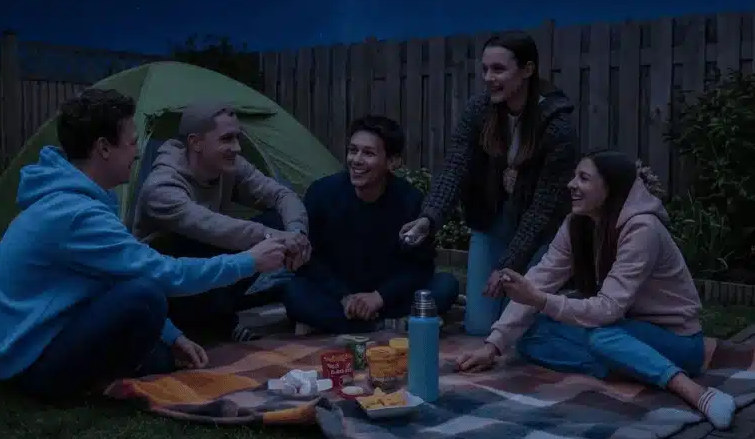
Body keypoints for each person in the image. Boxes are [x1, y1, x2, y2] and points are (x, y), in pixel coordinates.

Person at [0, 89, 287, 401]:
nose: (139, 152)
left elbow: (108, 275)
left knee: (161, 351)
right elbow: (164, 274)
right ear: (103, 148)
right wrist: (249, 261)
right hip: (31, 365)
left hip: (38, 340)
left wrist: (173, 336)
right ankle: (93, 381)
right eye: (131, 142)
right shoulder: (75, 214)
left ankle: (129, 363)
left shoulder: (75, 199)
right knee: (145, 295)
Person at [455, 150, 737, 430]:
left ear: (609, 188)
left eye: (584, 178)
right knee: (528, 334)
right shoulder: (577, 223)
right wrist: (492, 346)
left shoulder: (643, 229)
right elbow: (541, 278)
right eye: (574, 176)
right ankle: (631, 365)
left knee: (601, 337)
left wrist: (540, 300)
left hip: (677, 340)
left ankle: (691, 390)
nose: (571, 185)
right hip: (623, 328)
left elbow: (607, 310)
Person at [398, 31, 579, 336]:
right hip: (491, 222)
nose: (488, 77)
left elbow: (544, 207)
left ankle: (565, 303)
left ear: (527, 70)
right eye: (484, 69)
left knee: (519, 329)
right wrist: (428, 219)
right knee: (480, 327)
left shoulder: (556, 123)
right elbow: (456, 165)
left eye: (498, 69)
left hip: (539, 233)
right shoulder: (480, 110)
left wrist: (508, 265)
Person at [132, 102, 311, 342]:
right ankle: (198, 327)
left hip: (209, 269)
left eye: (237, 138)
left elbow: (282, 195)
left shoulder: (229, 166)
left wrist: (297, 234)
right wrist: (276, 238)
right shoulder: (162, 187)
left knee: (276, 220)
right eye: (227, 139)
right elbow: (212, 227)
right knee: (213, 242)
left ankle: (218, 321)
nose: (236, 148)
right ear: (195, 143)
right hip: (168, 283)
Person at [281, 115, 461, 334]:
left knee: (445, 286)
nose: (356, 160)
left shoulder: (410, 200)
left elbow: (420, 267)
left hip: (386, 296)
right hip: (339, 294)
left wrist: (379, 297)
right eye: (353, 150)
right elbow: (310, 259)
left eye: (368, 153)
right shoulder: (321, 193)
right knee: (294, 292)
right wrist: (345, 297)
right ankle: (379, 325)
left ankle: (348, 323)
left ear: (392, 162)